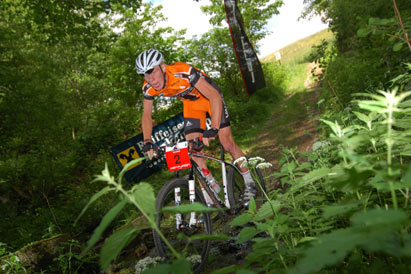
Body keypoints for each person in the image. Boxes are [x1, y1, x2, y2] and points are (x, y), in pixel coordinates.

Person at [136, 48, 256, 206]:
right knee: (193, 150)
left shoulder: (183, 71)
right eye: (145, 74)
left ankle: (250, 182)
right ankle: (210, 184)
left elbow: (213, 95)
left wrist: (213, 127)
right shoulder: (148, 87)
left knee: (226, 142)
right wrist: (147, 141)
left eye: (152, 71)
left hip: (211, 97)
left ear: (163, 67)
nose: (150, 78)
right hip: (192, 105)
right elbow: (146, 115)